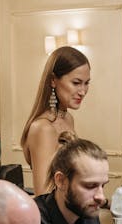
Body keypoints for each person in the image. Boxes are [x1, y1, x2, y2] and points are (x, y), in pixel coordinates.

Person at [20, 46, 91, 196]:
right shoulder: (43, 128)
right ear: (53, 80)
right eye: (76, 83)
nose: (83, 91)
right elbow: (43, 194)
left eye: (86, 83)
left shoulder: (68, 119)